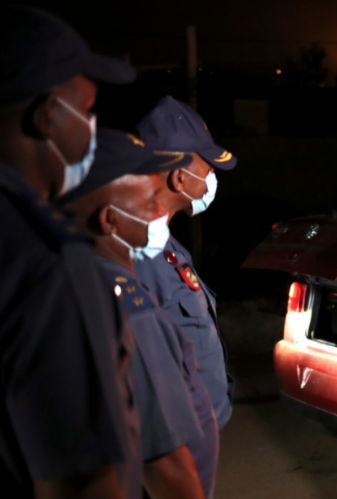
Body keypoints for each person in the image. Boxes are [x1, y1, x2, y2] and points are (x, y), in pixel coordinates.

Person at [0, 6, 141, 499]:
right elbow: (80, 482)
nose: (92, 129)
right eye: (88, 108)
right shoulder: (45, 263)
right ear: (48, 115)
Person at [61, 128, 220, 499]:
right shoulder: (131, 313)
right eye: (149, 202)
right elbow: (165, 463)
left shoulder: (68, 282)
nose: (158, 212)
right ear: (108, 221)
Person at [134, 95, 237, 429]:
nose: (211, 180)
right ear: (179, 178)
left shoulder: (165, 243)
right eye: (207, 170)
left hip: (199, 429)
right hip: (176, 439)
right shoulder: (135, 255)